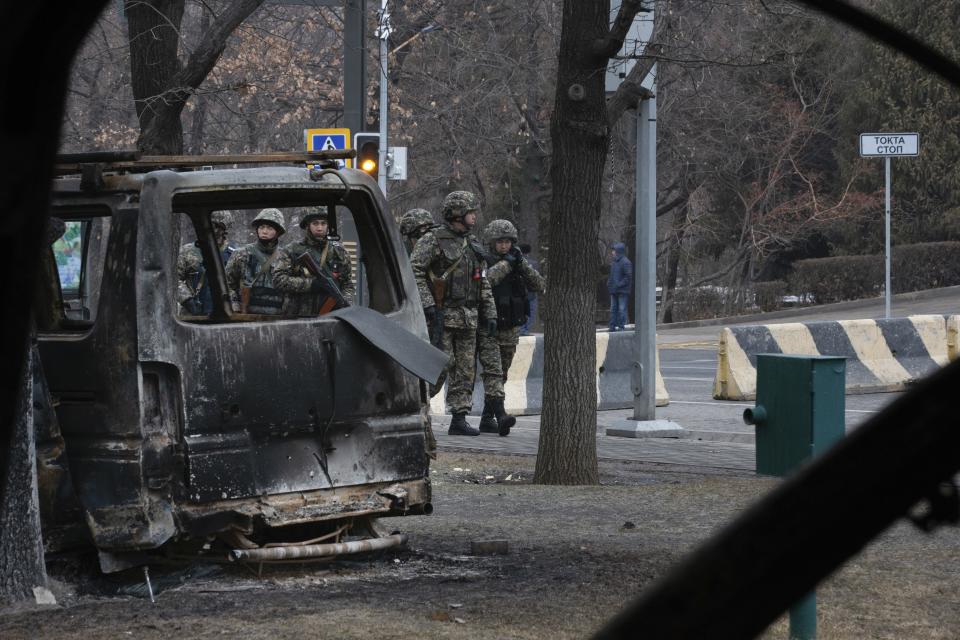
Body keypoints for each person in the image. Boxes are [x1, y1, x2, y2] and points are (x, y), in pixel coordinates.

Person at [410, 191, 498, 437]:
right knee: (439, 367)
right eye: (471, 212)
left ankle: (459, 419)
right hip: (442, 316)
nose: (474, 216)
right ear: (458, 213)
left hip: (469, 317)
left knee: (466, 371)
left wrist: (489, 312)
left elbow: (483, 281)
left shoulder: (472, 243)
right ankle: (415, 411)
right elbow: (414, 270)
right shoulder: (433, 239)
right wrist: (427, 303)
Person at [479, 220, 545, 433]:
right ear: (492, 242)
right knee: (493, 373)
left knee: (503, 374)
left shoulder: (517, 261)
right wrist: (506, 263)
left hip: (510, 328)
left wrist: (521, 263)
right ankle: (500, 416)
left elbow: (539, 284)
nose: (504, 246)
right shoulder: (483, 260)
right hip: (488, 327)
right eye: (500, 242)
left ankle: (487, 418)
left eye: (508, 242)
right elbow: (486, 281)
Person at [273, 209, 355, 316]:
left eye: (323, 223)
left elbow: (347, 283)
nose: (319, 228)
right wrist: (310, 284)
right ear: (308, 225)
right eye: (315, 223)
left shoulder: (339, 252)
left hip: (331, 317)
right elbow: (278, 280)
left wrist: (345, 301)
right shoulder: (292, 250)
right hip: (297, 317)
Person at [225, 208, 287, 315]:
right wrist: (235, 306)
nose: (264, 231)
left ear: (278, 232)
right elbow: (227, 283)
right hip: (246, 315)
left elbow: (289, 289)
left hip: (277, 317)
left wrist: (287, 310)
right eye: (261, 227)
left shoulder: (285, 256)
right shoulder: (241, 253)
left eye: (269, 228)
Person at [177, 210, 235, 316]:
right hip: (192, 314)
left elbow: (241, 284)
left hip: (224, 314)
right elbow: (174, 279)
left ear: (223, 229)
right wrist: (187, 300)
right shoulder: (188, 250)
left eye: (214, 225)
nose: (210, 228)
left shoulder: (235, 253)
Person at [607, 242, 633, 332]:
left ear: (618, 251)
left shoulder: (626, 262)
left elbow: (628, 276)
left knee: (622, 309)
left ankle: (621, 327)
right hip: (614, 290)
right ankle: (612, 326)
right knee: (613, 309)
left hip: (622, 291)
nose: (612, 252)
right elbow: (611, 275)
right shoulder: (614, 262)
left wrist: (619, 284)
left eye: (614, 250)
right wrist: (609, 283)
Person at [518, 243, 539, 335]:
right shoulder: (534, 263)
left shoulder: (516, 261)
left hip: (519, 292)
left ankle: (521, 329)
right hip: (531, 292)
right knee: (531, 312)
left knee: (521, 311)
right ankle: (524, 329)